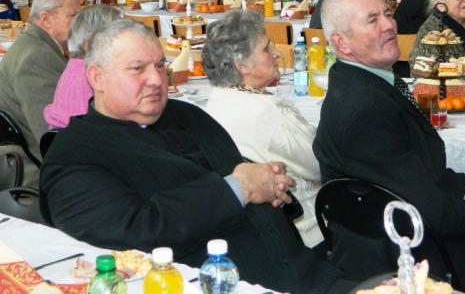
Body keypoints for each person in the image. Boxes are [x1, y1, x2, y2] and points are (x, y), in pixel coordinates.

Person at [40, 19, 350, 294]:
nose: (156, 79)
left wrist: (271, 185)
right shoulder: (73, 155)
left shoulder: (185, 114)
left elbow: (243, 174)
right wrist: (239, 188)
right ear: (97, 78)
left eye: (160, 65)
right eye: (138, 69)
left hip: (309, 274)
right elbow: (135, 231)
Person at [313, 0, 465, 287]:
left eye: (387, 14)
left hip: (398, 238)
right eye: (372, 20)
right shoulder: (366, 110)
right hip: (409, 259)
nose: (389, 25)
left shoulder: (362, 83)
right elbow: (429, 212)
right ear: (342, 42)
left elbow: (419, 172)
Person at [203, 10, 322, 247]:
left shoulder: (215, 102)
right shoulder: (269, 115)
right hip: (307, 229)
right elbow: (322, 165)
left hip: (255, 231)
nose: (277, 54)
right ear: (242, 65)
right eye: (267, 49)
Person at [0, 0, 80, 186]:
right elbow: (51, 138)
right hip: (38, 173)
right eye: (74, 16)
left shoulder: (34, 44)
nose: (80, 23)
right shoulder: (36, 57)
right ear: (45, 19)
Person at [43, 5, 121, 130]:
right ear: (92, 42)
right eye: (119, 37)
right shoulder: (90, 76)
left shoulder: (75, 67)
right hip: (84, 137)